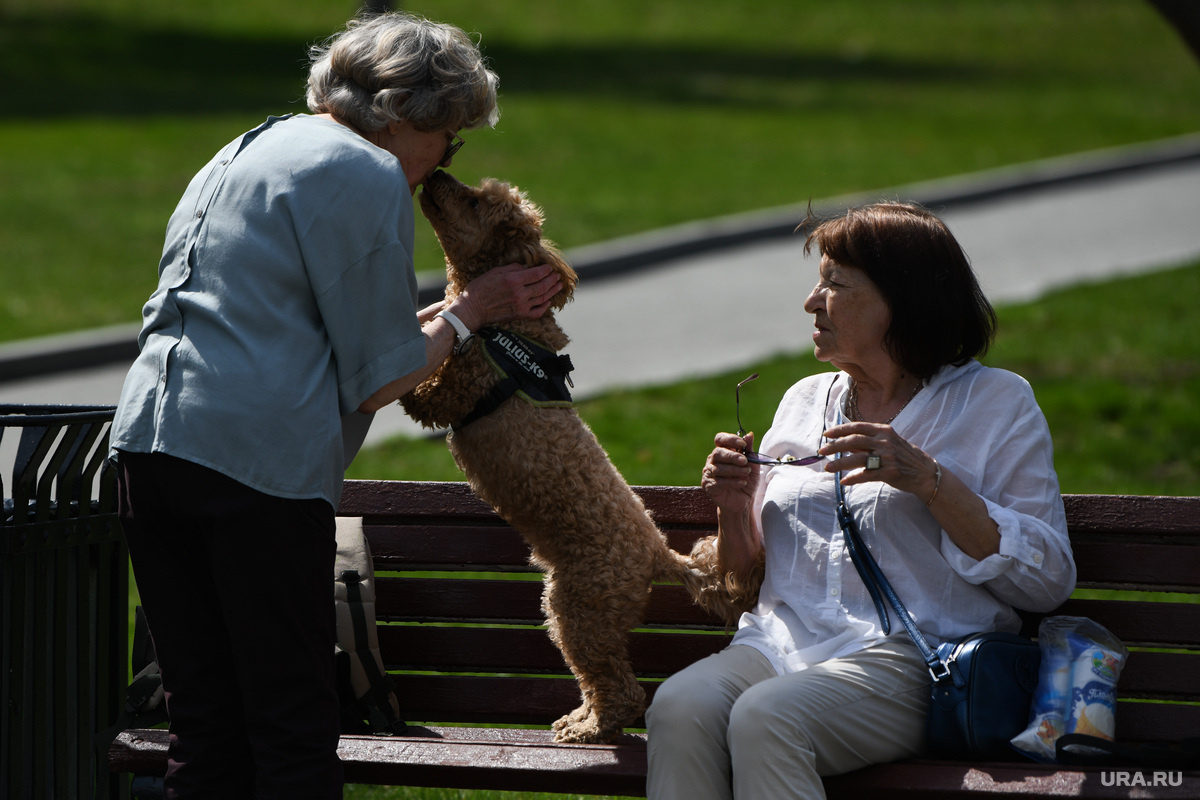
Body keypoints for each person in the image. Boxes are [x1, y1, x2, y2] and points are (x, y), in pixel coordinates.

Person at [108, 12, 562, 799]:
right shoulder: (366, 170)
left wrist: (438, 322)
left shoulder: (251, 145)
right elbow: (380, 381)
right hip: (256, 468)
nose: (442, 162)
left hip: (151, 447)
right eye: (448, 140)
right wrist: (473, 310)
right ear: (406, 116)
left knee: (204, 725)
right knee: (292, 729)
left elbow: (308, 323)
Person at [646, 202, 1076, 799]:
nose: (811, 302)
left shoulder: (996, 403)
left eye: (835, 284)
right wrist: (733, 506)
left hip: (916, 658)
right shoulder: (804, 399)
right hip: (780, 644)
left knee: (768, 718)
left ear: (902, 301)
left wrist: (928, 479)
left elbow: (1048, 580)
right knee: (677, 707)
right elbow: (745, 579)